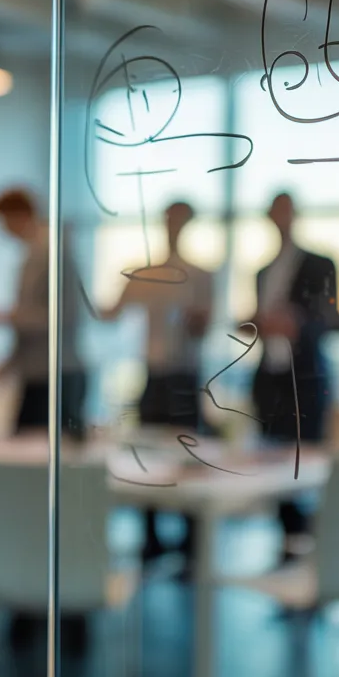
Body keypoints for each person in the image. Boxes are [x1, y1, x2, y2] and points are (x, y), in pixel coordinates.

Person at [97, 201, 213, 561]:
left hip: (184, 376)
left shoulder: (200, 275)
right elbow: (109, 314)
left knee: (187, 457)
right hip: (153, 375)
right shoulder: (147, 273)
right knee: (146, 454)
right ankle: (151, 537)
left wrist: (194, 317)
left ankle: (191, 541)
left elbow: (203, 328)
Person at [250, 193, 339, 557]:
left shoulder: (321, 265)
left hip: (305, 385)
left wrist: (294, 324)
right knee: (273, 476)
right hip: (270, 385)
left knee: (304, 475)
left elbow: (328, 318)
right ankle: (288, 553)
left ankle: (307, 558)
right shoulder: (262, 272)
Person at [0, 187, 87, 440]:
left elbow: (59, 317)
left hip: (55, 373)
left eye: (4, 221)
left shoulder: (48, 251)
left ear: (18, 215)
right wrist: (12, 359)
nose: (3, 230)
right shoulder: (39, 251)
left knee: (39, 458)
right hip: (44, 370)